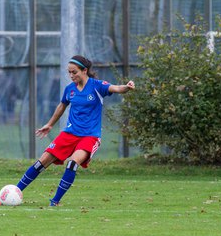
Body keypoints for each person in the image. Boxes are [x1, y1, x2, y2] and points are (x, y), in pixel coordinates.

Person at [11, 55, 135, 206]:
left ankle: (55, 201)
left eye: (74, 72)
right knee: (41, 161)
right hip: (69, 134)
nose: (71, 75)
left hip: (90, 137)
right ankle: (13, 193)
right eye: (69, 72)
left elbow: (116, 88)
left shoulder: (97, 86)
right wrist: (50, 124)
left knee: (72, 163)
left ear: (84, 70)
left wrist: (126, 87)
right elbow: (62, 105)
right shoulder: (70, 89)